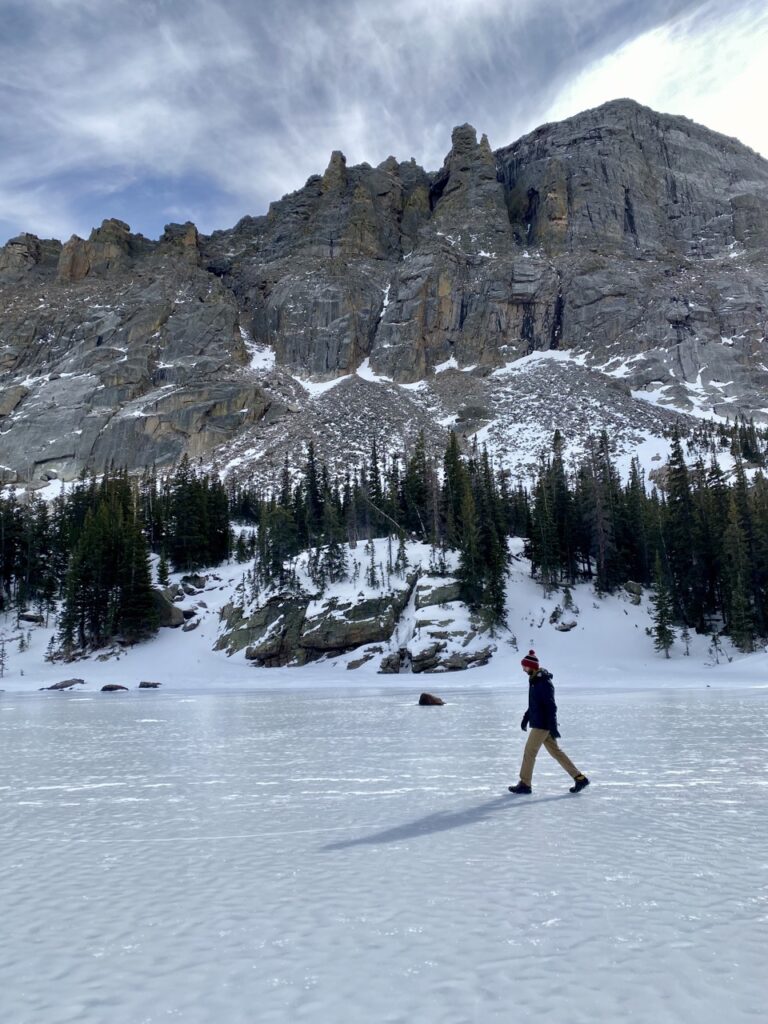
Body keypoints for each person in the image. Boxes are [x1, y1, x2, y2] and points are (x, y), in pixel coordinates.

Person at [508, 650, 589, 795]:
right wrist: (526, 717)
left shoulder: (543, 682)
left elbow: (551, 706)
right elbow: (534, 704)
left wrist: (552, 725)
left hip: (542, 725)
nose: (523, 669)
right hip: (540, 722)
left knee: (529, 752)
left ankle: (525, 784)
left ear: (531, 666)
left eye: (524, 666)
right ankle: (579, 778)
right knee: (556, 752)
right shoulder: (535, 681)